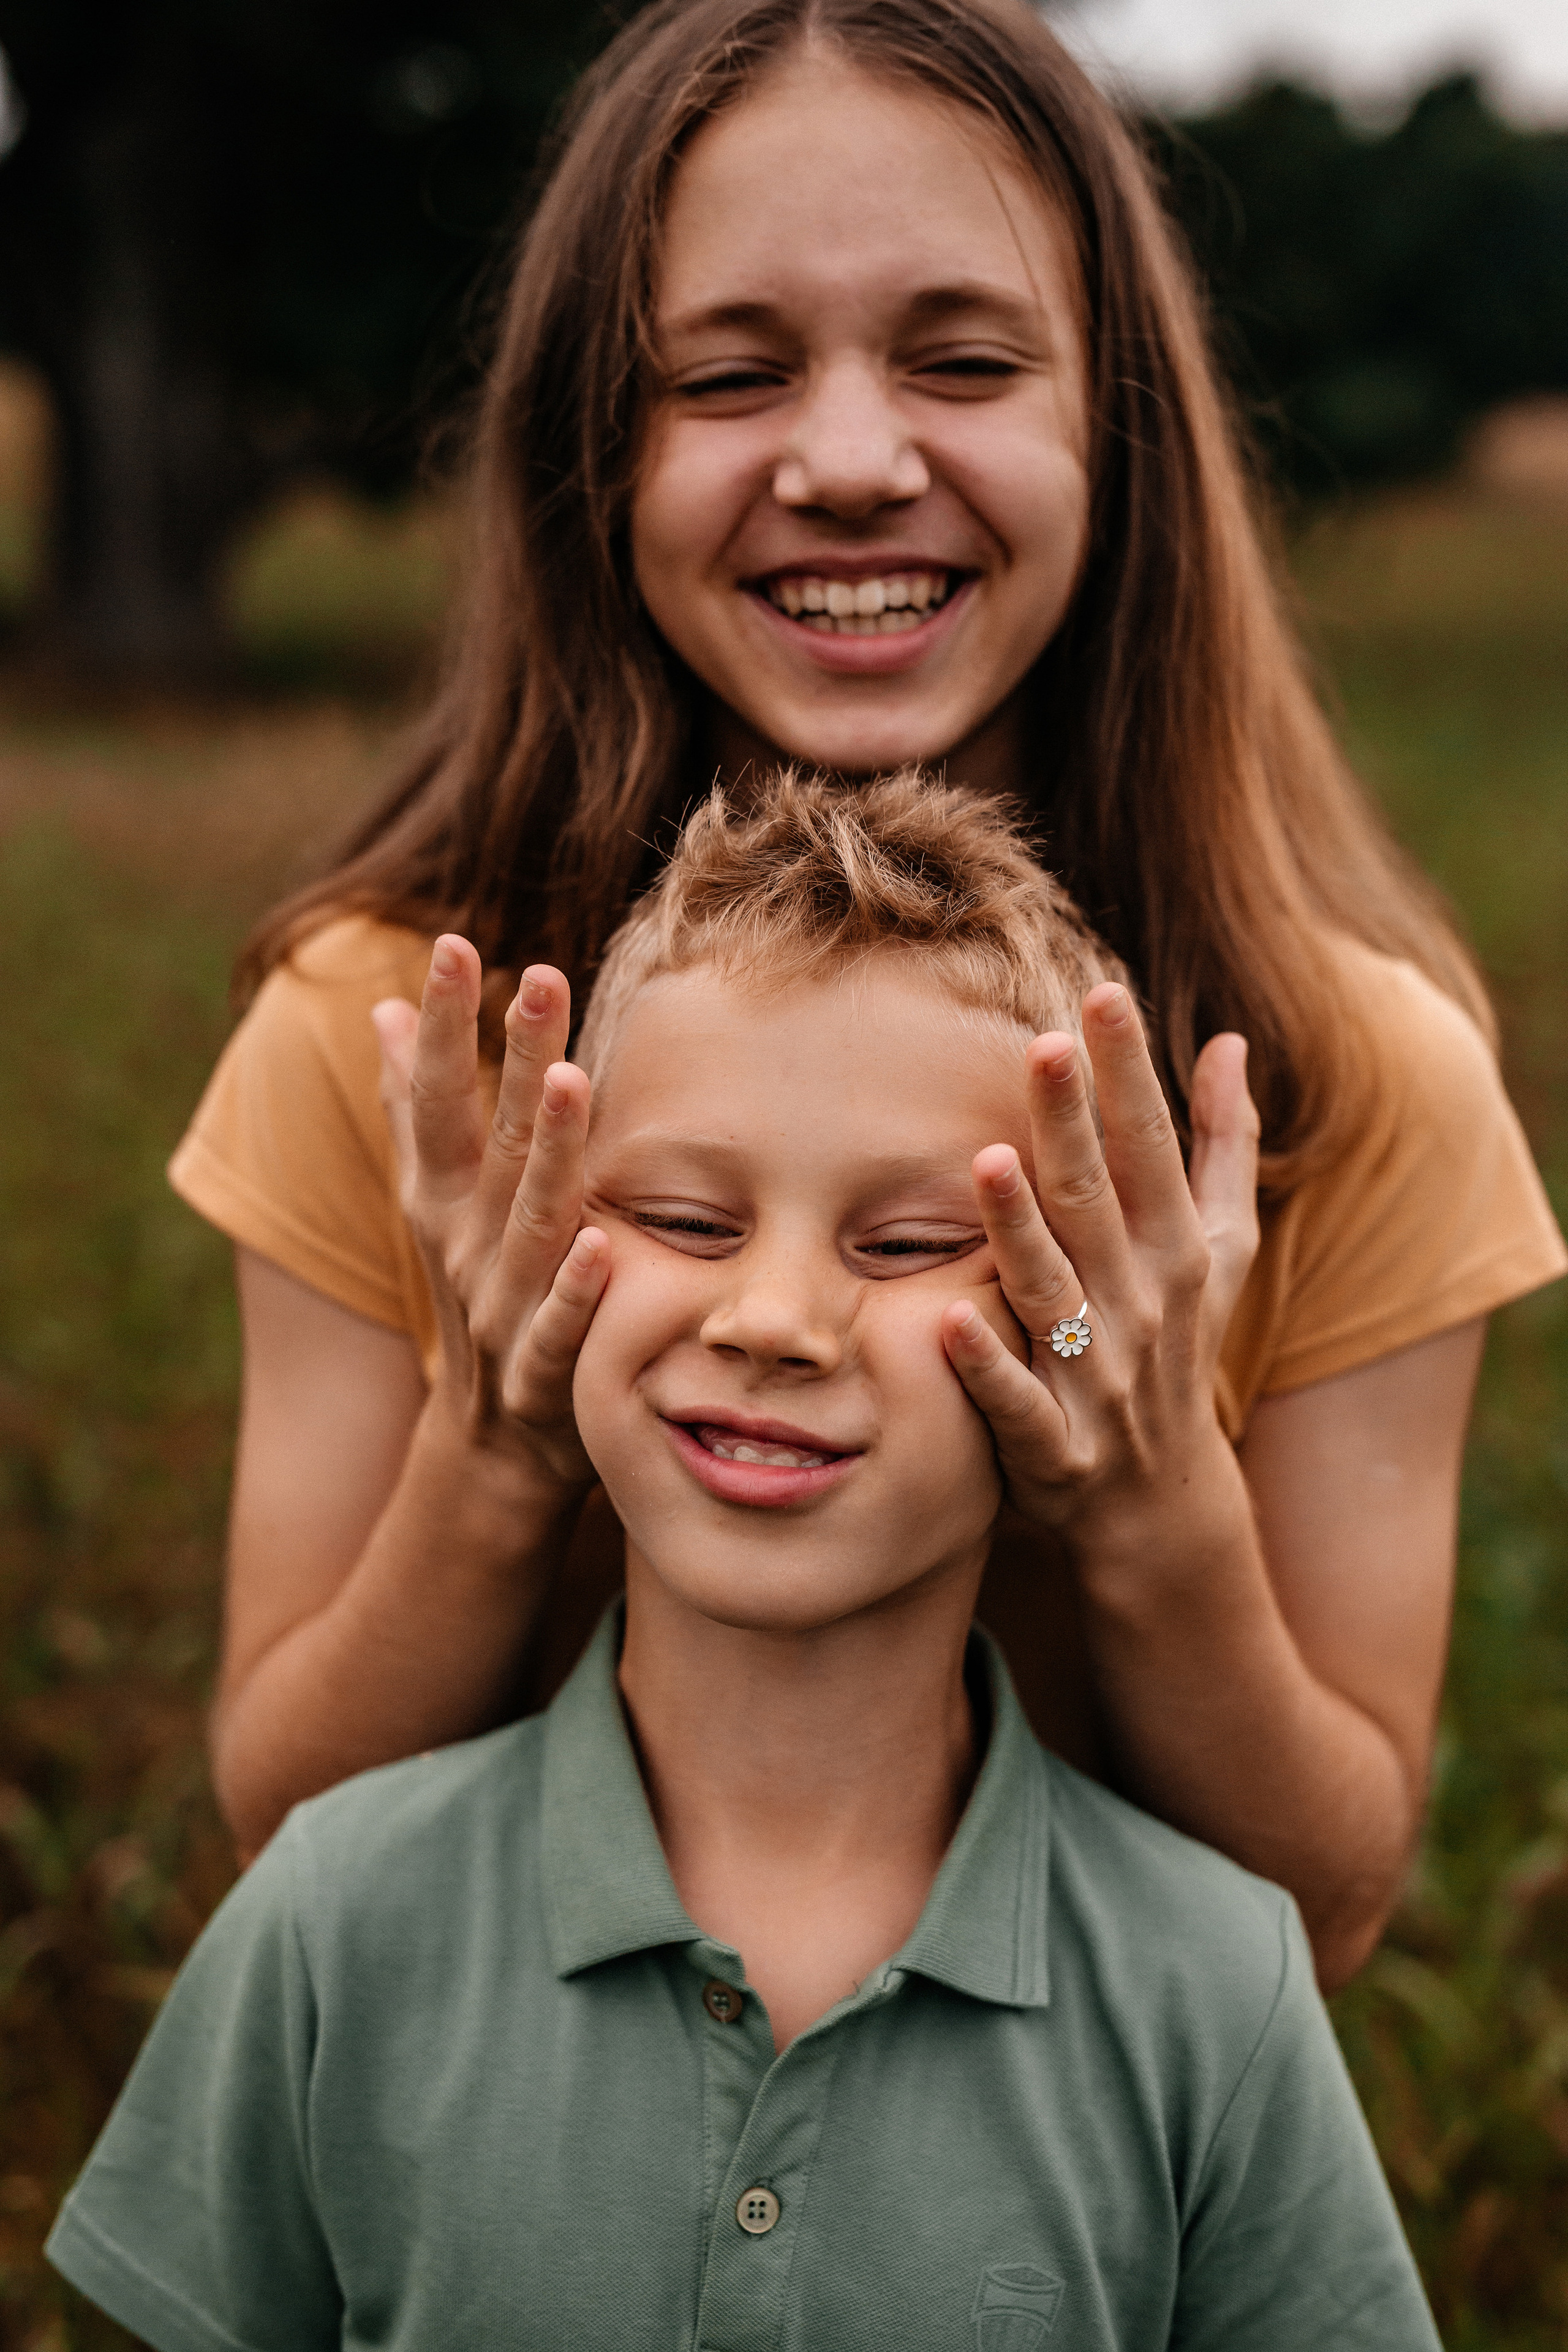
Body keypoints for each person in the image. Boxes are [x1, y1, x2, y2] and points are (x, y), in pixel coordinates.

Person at [171, 0, 1565, 1985]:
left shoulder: (1342, 1077)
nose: (845, 463)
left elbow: (1321, 1911)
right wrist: (496, 1450)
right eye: (729, 374)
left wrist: (1152, 1504)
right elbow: (287, 1840)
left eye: (966, 360)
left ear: (1120, 426)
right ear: (599, 447)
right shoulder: (388, 1032)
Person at [51, 776, 1441, 2352]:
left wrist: (1103, 1366)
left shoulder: (1215, 1986)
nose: (771, 1317)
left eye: (910, 1244)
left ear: (1083, 1314)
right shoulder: (329, 1924)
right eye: (681, 1217)